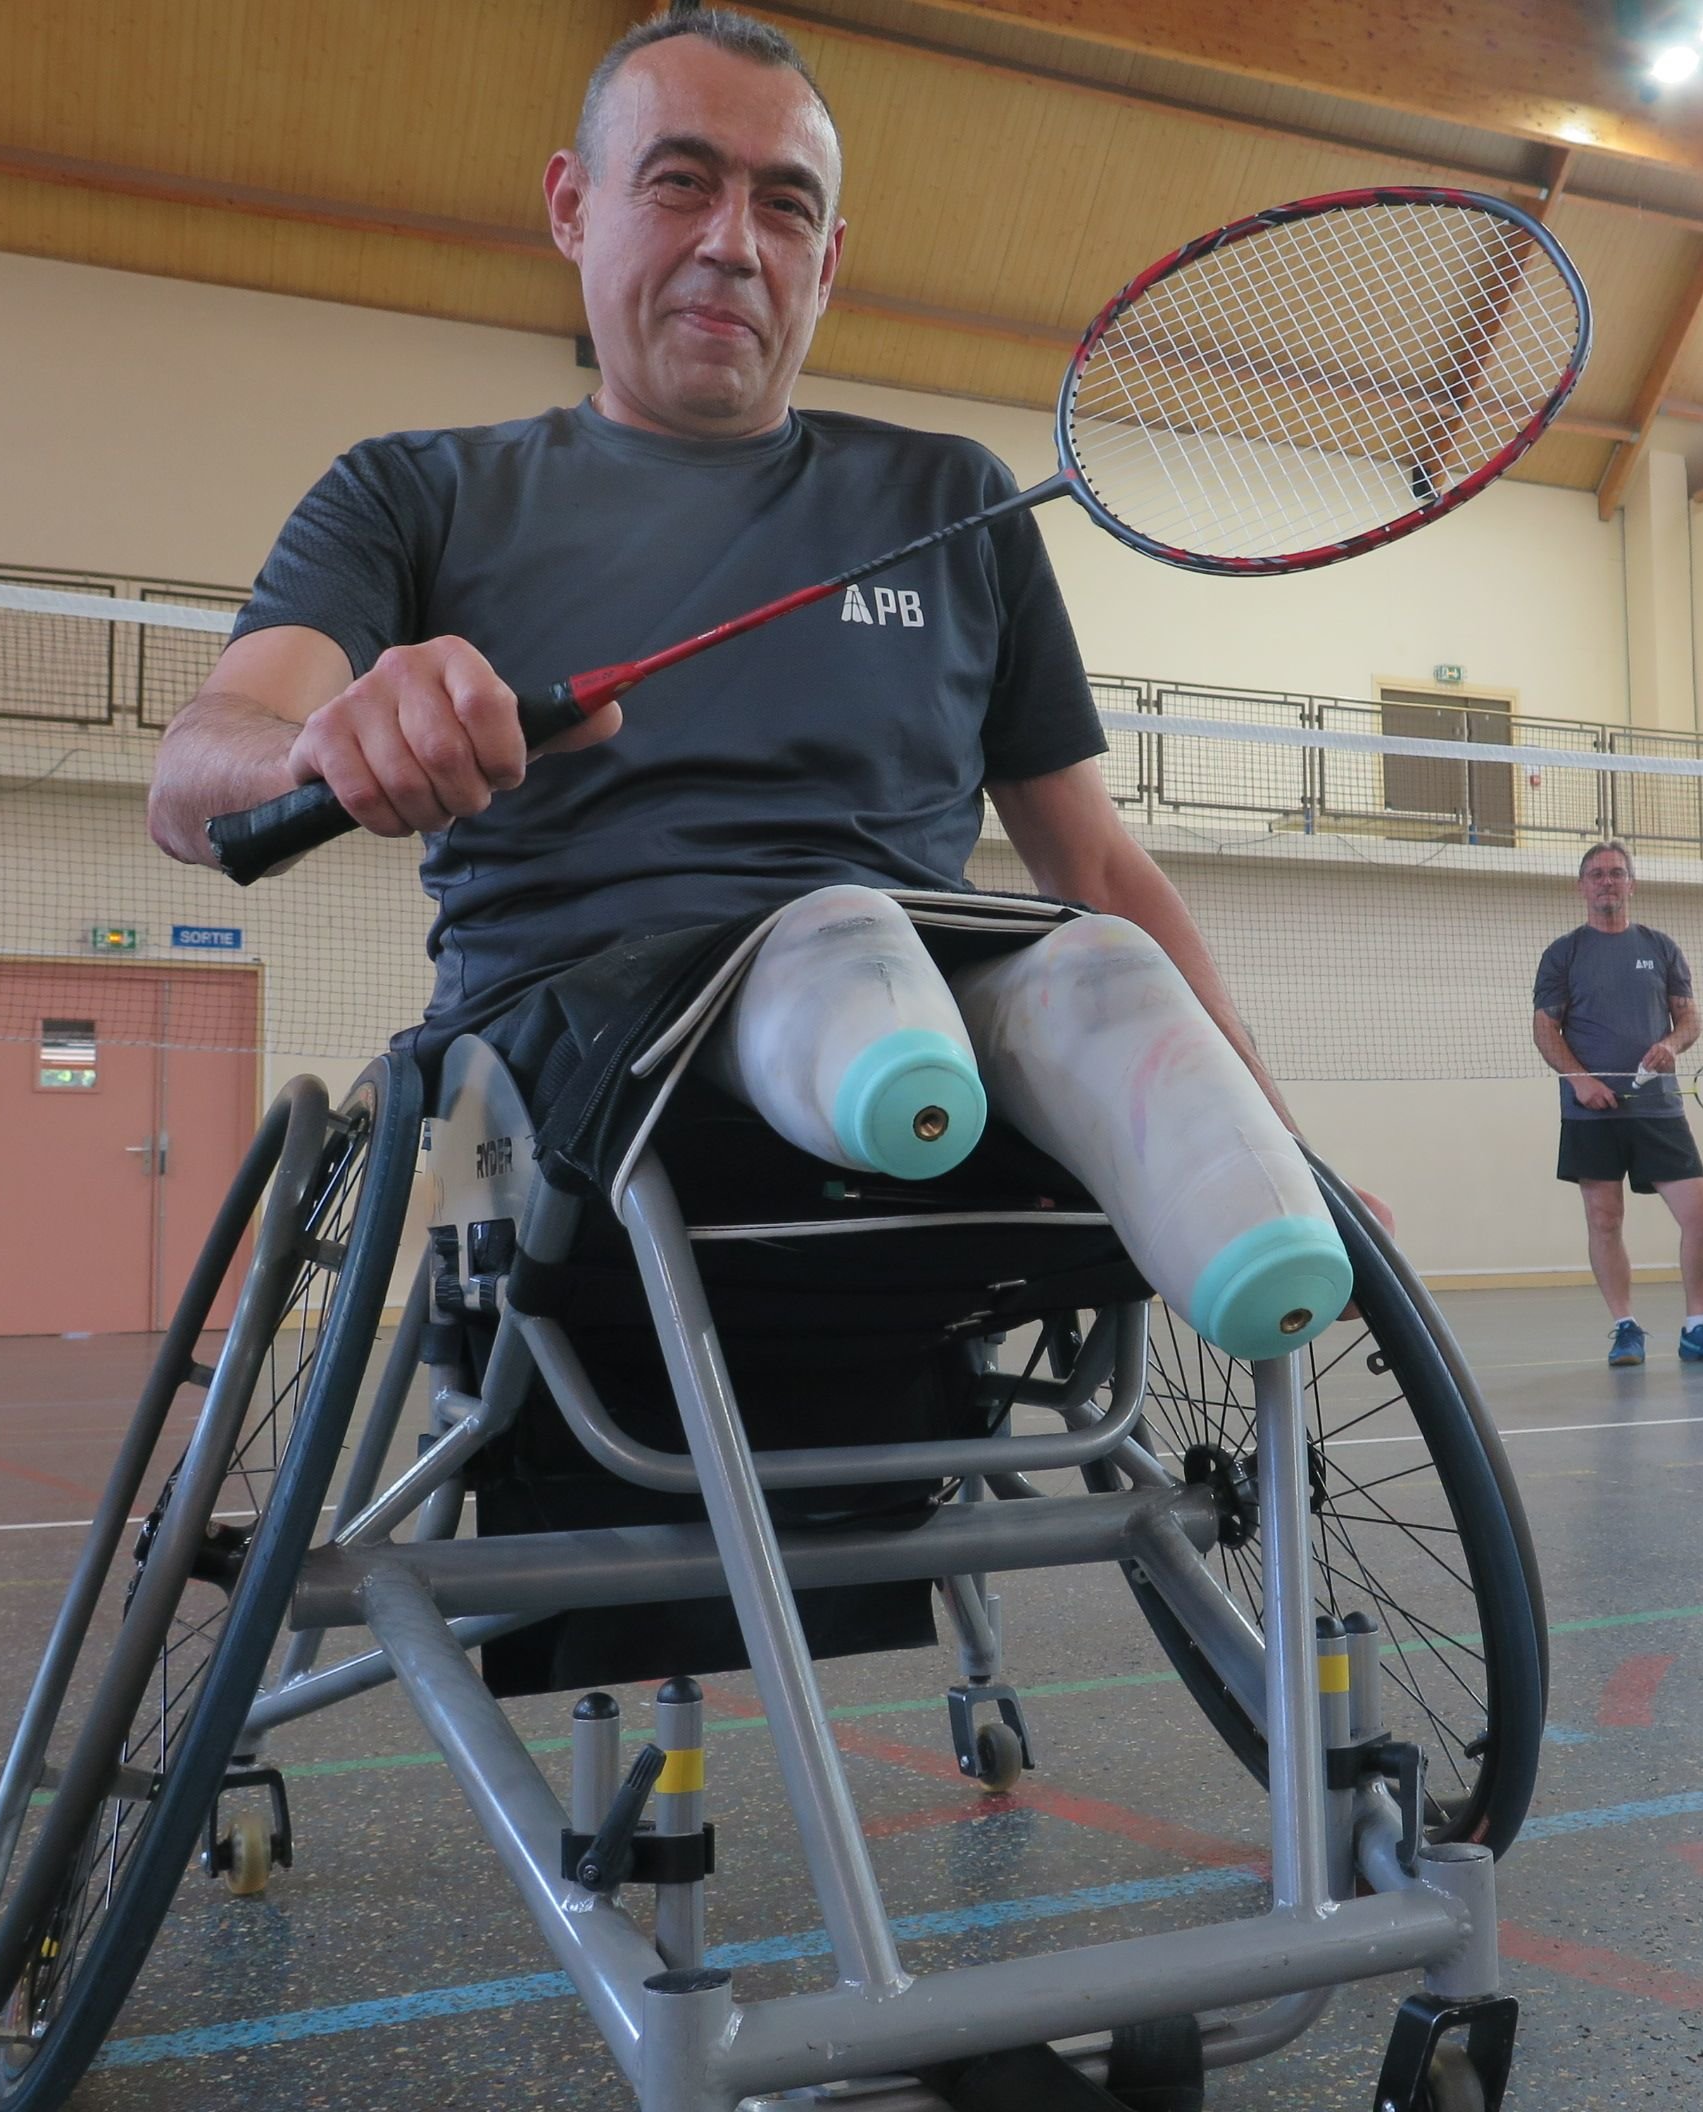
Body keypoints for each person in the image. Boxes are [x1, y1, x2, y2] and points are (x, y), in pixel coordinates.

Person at [145, 7, 1376, 1340]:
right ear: (573, 204)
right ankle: (865, 1052)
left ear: (828, 259)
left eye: (784, 208)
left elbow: (1100, 873)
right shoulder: (409, 492)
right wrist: (316, 749)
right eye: (681, 182)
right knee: (833, 943)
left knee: (1097, 971)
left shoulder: (953, 498)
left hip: (946, 1016)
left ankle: (1263, 1247)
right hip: (561, 1071)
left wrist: (1275, 1125)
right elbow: (193, 777)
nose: (734, 242)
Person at [1531, 842, 1703, 1368]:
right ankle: (1625, 1328)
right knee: (1604, 1219)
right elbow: (1545, 1029)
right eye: (1596, 874)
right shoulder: (1564, 953)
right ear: (1581, 886)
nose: (1606, 881)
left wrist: (1671, 1046)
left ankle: (1698, 1328)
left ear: (1632, 884)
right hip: (1592, 1110)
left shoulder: (1660, 946)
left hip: (1658, 1107)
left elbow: (1689, 1019)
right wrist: (1580, 1081)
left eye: (1616, 873)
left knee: (1702, 1215)